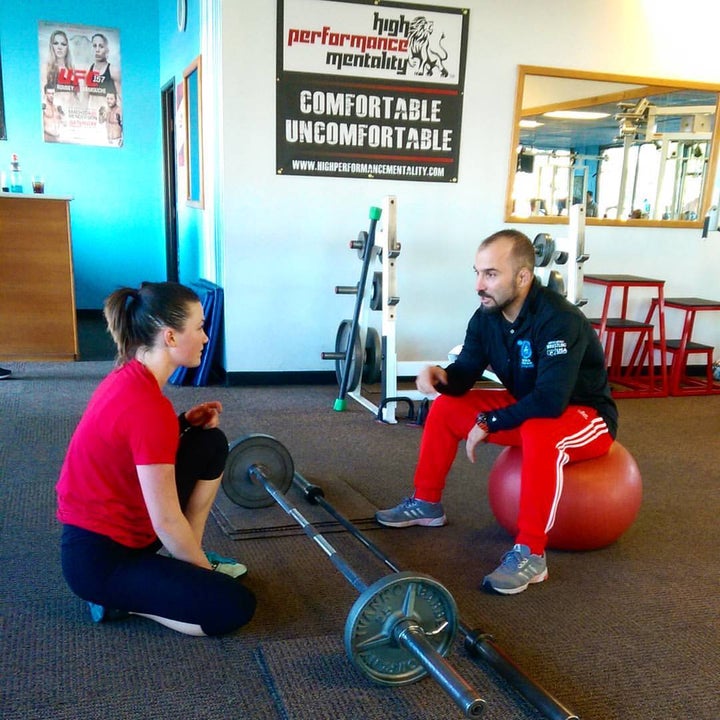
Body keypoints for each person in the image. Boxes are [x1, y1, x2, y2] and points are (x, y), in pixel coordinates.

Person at [376, 230, 618, 595]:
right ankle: (426, 503)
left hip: (584, 416)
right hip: (530, 408)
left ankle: (531, 554)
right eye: (477, 272)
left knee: (539, 430)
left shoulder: (558, 319)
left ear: (522, 277)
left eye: (490, 274)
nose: (479, 284)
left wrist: (490, 422)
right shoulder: (487, 316)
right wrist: (441, 377)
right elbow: (464, 376)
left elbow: (551, 401)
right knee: (446, 407)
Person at [56, 281, 256, 635]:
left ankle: (185, 561)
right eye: (199, 328)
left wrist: (181, 425)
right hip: (101, 563)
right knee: (234, 607)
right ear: (171, 337)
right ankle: (121, 602)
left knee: (209, 442)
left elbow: (131, 445)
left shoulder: (129, 376)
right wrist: (204, 578)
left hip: (121, 530)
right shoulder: (149, 408)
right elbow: (165, 521)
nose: (206, 338)